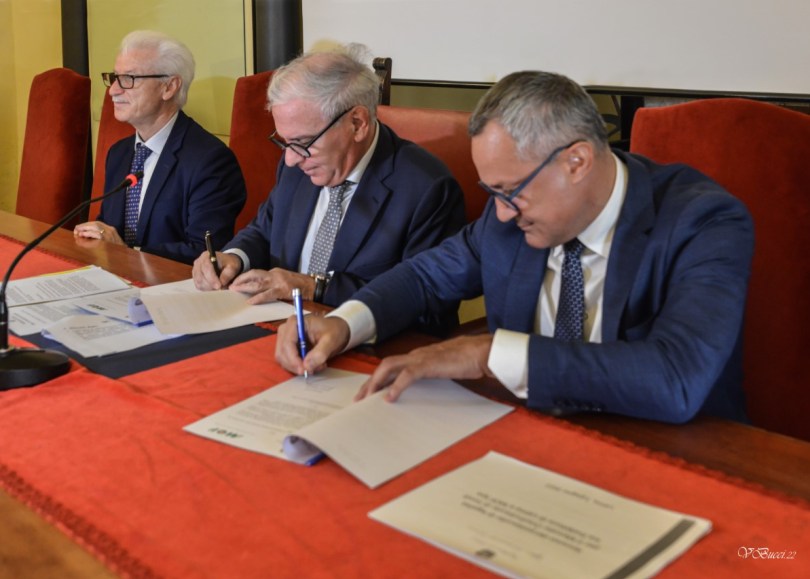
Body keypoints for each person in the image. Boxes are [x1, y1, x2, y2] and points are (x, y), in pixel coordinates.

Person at [276, 71, 755, 425]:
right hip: (525, 433)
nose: (501, 214)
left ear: (577, 162)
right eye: (492, 192)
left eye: (511, 192)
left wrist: (488, 354)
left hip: (663, 448)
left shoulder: (703, 222)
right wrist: (344, 323)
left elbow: (675, 378)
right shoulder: (509, 215)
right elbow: (424, 277)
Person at [191, 46, 465, 330]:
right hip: (280, 326)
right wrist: (235, 258)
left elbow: (425, 303)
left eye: (303, 142)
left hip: (366, 341)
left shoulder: (426, 189)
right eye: (284, 142)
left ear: (357, 123)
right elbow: (265, 230)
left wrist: (313, 287)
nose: (291, 158)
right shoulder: (299, 164)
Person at [74, 30, 246, 264]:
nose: (113, 90)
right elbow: (108, 229)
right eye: (114, 77)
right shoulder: (119, 153)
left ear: (169, 87)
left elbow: (206, 254)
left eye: (129, 78)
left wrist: (127, 252)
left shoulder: (210, 161)